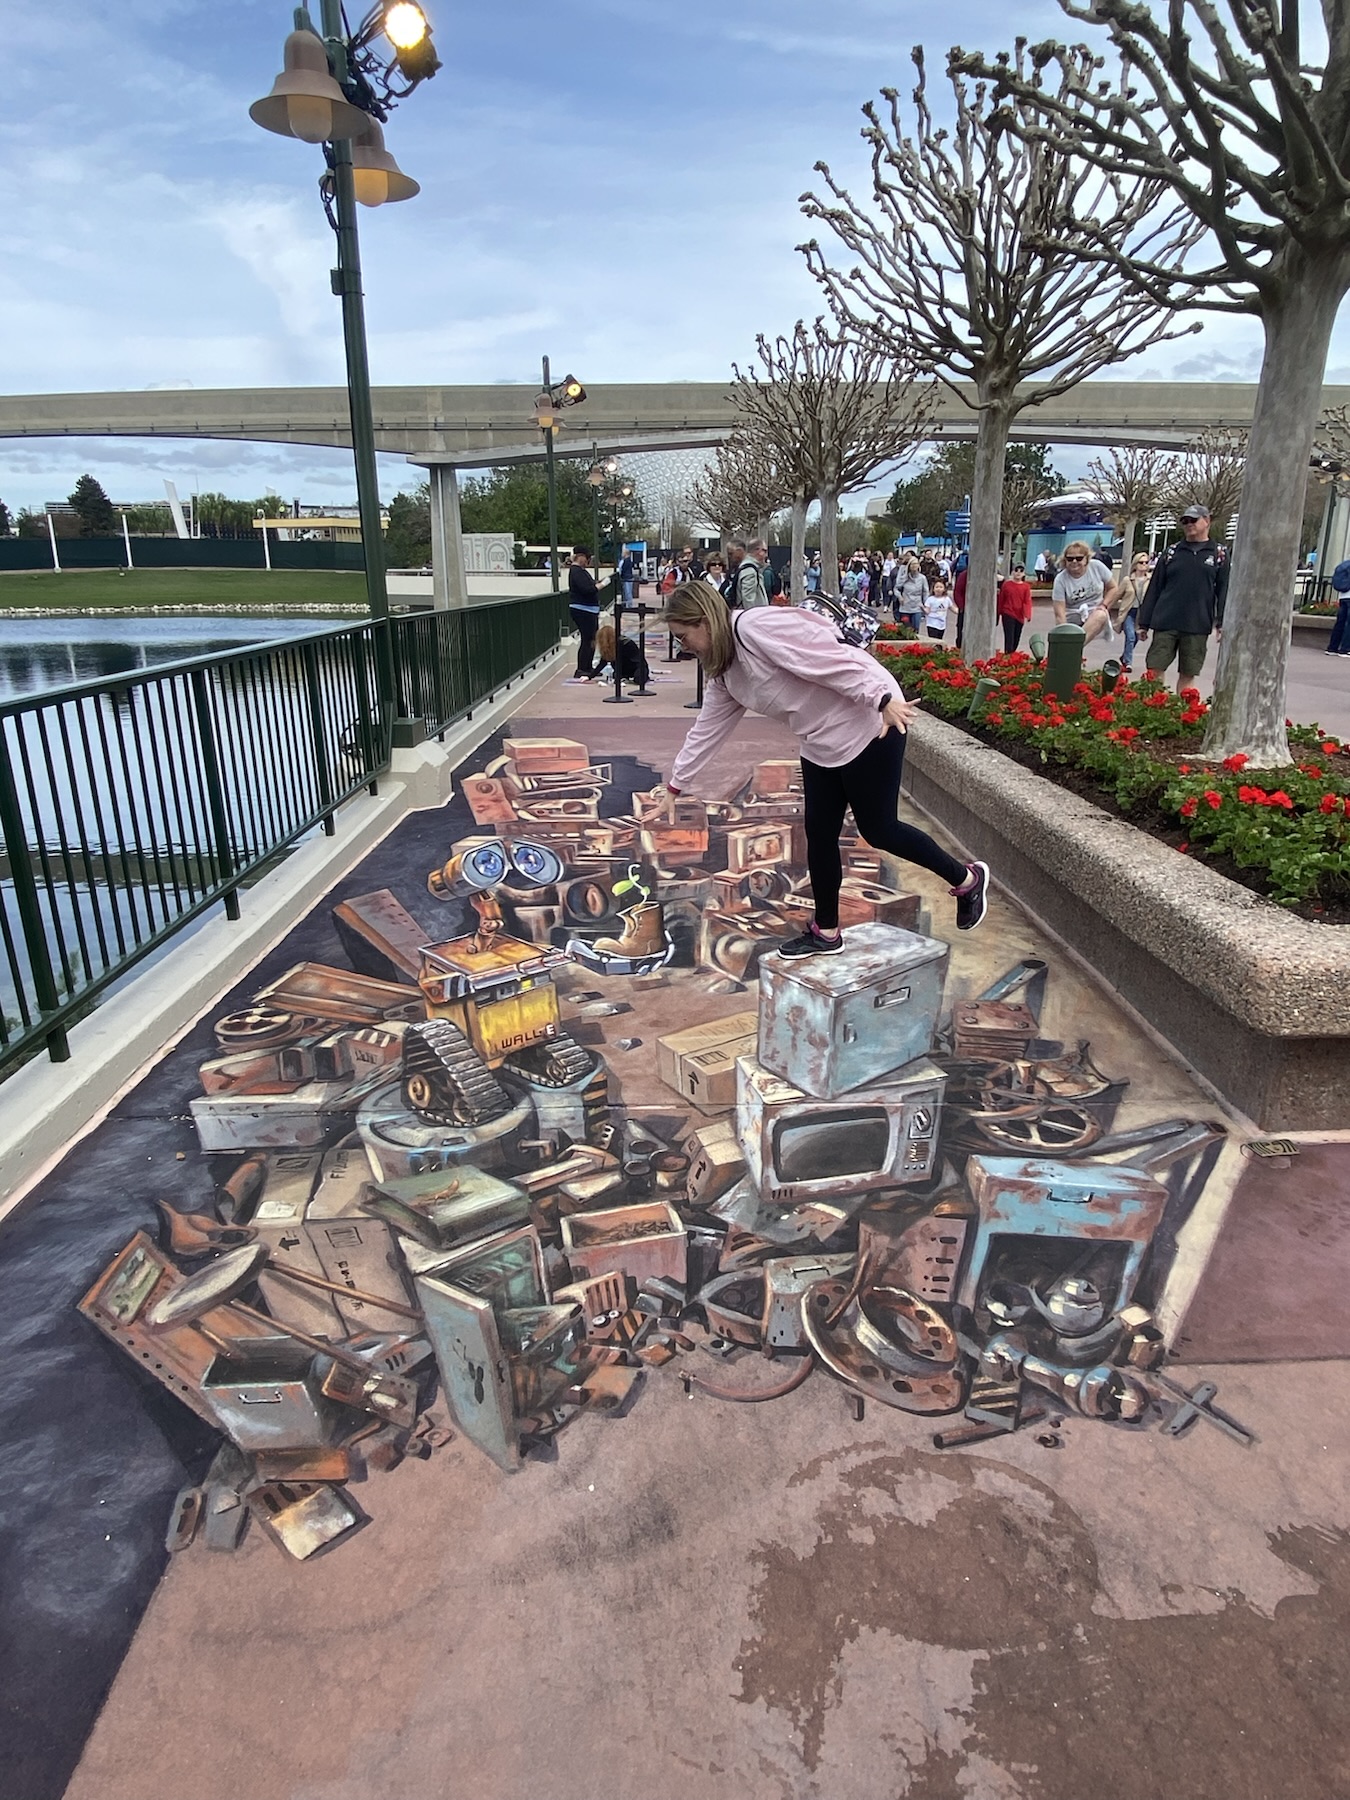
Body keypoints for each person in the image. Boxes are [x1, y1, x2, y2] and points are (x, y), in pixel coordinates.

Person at [654, 583, 990, 955]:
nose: (685, 647)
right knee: (820, 833)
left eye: (684, 637)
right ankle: (826, 932)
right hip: (819, 741)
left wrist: (880, 699)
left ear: (704, 621)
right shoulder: (724, 673)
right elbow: (708, 728)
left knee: (880, 830)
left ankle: (967, 879)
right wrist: (676, 785)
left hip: (870, 722)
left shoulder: (753, 629)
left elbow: (828, 657)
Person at [1136, 505, 1228, 690]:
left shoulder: (1219, 554)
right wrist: (1143, 622)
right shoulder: (1171, 552)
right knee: (1154, 669)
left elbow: (1224, 589)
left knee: (1188, 673)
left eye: (1193, 520)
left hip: (1197, 624)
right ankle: (1154, 708)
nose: (1188, 524)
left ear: (1207, 521)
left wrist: (1221, 622)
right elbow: (1155, 587)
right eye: (1184, 521)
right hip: (1166, 621)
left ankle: (1183, 713)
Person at [1052, 540, 1117, 642]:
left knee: (1101, 614)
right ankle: (1071, 647)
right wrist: (1064, 635)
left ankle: (1075, 648)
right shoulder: (1061, 579)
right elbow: (1059, 614)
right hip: (1072, 616)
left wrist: (1104, 604)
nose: (1074, 562)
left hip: (1095, 612)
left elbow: (1113, 588)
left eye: (1079, 558)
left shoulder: (1097, 567)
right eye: (1070, 559)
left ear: (1086, 559)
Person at [566, 545, 603, 681]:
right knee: (587, 640)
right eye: (586, 558)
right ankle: (582, 668)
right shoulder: (576, 571)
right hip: (582, 609)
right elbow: (587, 589)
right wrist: (600, 585)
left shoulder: (580, 571)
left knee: (591, 639)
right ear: (580, 557)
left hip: (588, 609)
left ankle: (587, 667)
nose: (587, 561)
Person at [1112, 550, 1152, 672]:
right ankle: (1127, 663)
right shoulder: (1127, 580)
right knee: (1130, 637)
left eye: (1146, 562)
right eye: (1141, 562)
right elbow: (1116, 595)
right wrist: (1106, 607)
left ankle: (1124, 656)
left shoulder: (1150, 580)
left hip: (1142, 614)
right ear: (1135, 564)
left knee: (1136, 637)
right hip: (1129, 612)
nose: (1144, 565)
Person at [596, 620, 650, 689]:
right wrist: (590, 676)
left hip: (636, 666)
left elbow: (637, 661)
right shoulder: (611, 647)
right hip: (623, 668)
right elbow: (603, 661)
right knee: (616, 676)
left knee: (639, 679)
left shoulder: (625, 643)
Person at [997, 564, 1034, 653]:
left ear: (1024, 574)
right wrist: (998, 613)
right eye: (1016, 570)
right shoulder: (1006, 585)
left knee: (1016, 638)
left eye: (1021, 571)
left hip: (1019, 615)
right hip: (1008, 613)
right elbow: (1001, 599)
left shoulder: (1026, 587)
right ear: (1012, 572)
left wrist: (1028, 614)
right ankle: (1008, 654)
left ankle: (1012, 655)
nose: (1018, 573)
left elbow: (1027, 601)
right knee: (1009, 637)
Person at [731, 537, 772, 609]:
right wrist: (752, 617)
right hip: (753, 616)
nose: (766, 555)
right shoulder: (750, 570)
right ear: (757, 550)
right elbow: (748, 600)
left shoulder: (748, 567)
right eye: (764, 551)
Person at [895, 556, 929, 633]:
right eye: (912, 564)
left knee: (916, 629)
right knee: (906, 630)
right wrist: (899, 597)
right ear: (909, 566)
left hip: (917, 606)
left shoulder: (922, 578)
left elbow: (925, 592)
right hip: (905, 606)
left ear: (918, 566)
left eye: (916, 564)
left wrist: (926, 604)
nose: (914, 566)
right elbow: (896, 588)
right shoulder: (904, 577)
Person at [1325, 554, 1350, 655]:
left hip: (1343, 596)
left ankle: (1332, 647)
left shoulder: (1343, 565)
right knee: (1349, 624)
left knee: (1340, 623)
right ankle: (1345, 648)